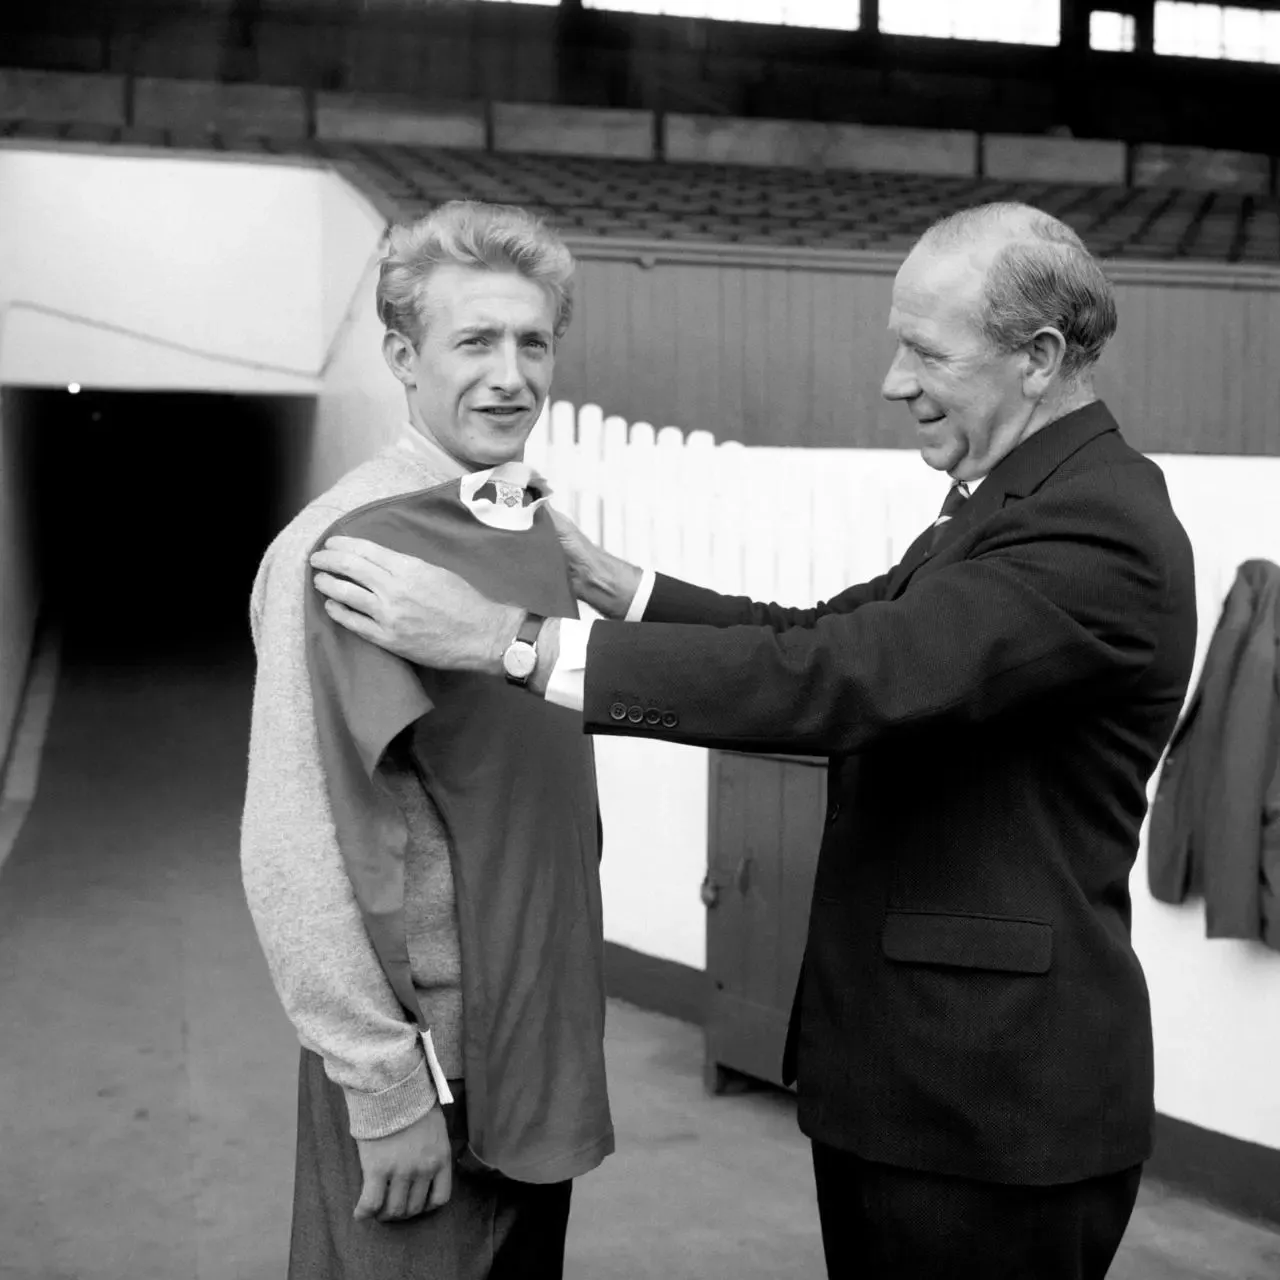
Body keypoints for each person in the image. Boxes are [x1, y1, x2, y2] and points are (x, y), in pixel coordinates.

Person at [310, 202, 1199, 1280]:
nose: (892, 382)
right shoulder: (1011, 498)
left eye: (923, 351)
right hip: (924, 1088)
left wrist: (508, 641)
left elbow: (843, 677)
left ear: (1038, 357)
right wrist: (619, 587)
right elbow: (829, 629)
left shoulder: (1089, 526)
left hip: (989, 1112)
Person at [241, 199, 613, 1280]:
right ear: (404, 357)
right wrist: (380, 1078)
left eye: (532, 340)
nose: (511, 374)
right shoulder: (343, 550)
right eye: (474, 341)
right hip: (429, 1076)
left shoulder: (520, 521)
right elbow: (293, 838)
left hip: (536, 1055)